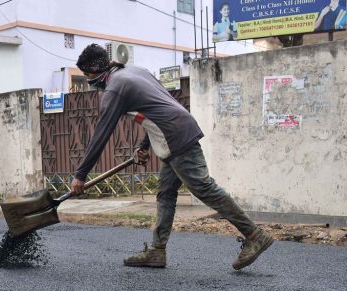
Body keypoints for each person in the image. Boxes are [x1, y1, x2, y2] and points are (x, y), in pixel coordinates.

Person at [71, 44, 274, 271]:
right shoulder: (136, 71)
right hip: (173, 132)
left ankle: (254, 234)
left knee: (203, 187)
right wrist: (145, 145)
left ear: (95, 70)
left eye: (88, 76)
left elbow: (102, 133)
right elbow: (157, 108)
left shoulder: (115, 88)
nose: (89, 82)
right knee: (166, 194)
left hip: (175, 136)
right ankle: (157, 251)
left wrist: (80, 175)